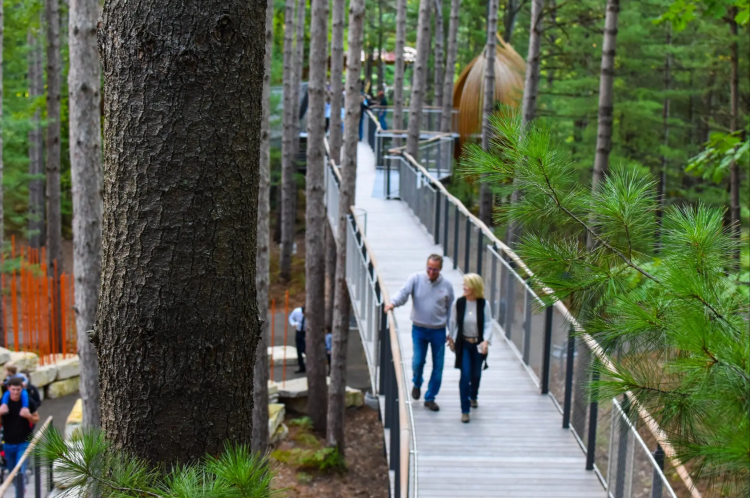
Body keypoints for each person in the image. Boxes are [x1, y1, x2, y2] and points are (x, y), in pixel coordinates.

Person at [385, 254, 455, 411]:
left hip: (438, 330)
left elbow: (451, 311)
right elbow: (403, 293)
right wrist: (393, 303)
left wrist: (452, 332)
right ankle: (417, 382)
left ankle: (430, 397)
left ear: (440, 269)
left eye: (435, 270)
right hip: (419, 329)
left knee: (438, 366)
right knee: (418, 361)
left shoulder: (447, 286)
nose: (431, 272)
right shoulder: (416, 279)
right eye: (429, 268)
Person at [447, 273, 493, 423]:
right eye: (464, 284)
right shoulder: (459, 303)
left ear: (474, 287)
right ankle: (464, 409)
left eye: (467, 285)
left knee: (476, 375)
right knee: (465, 375)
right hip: (464, 344)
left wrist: (486, 341)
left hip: (478, 344)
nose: (464, 287)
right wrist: (451, 337)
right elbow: (454, 323)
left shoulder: (483, 304)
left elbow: (487, 324)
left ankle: (474, 395)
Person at [0, 377, 40, 498]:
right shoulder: (3, 402)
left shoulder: (28, 402)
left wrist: (28, 416)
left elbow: (36, 418)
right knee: (12, 474)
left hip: (24, 442)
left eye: (18, 389)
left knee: (20, 472)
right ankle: (20, 489)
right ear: (8, 389)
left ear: (21, 389)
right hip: (8, 443)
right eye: (13, 389)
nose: (16, 392)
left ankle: (20, 495)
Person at [289, 306, 306, 373]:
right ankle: (301, 366)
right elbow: (291, 318)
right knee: (299, 349)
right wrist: (293, 324)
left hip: (307, 331)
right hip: (299, 331)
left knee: (305, 349)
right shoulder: (296, 311)